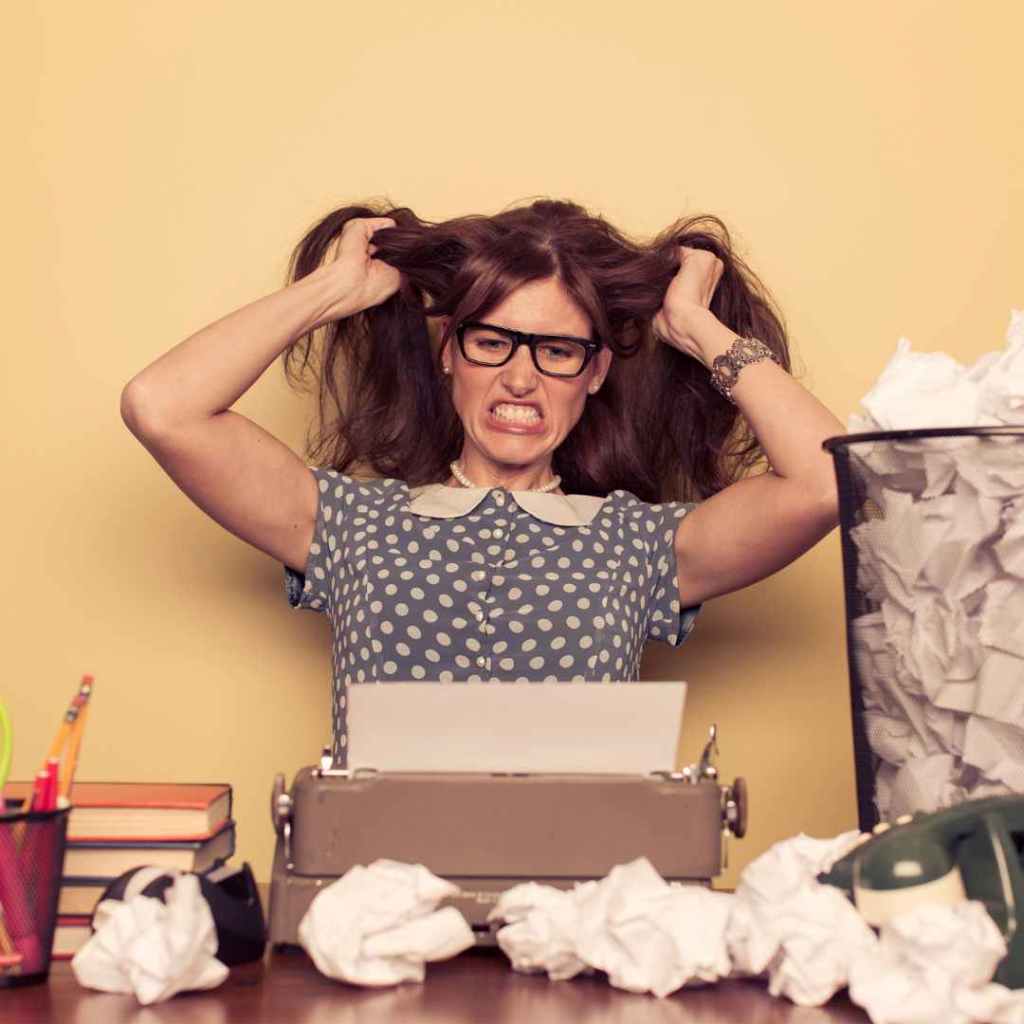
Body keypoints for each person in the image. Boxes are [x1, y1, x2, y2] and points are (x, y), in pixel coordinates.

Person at [121, 199, 844, 766]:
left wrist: (694, 326)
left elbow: (825, 480)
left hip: (578, 919)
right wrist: (332, 290)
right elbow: (164, 407)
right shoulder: (346, 522)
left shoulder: (645, 546)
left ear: (594, 373)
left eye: (557, 350)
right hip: (374, 909)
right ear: (449, 352)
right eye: (492, 342)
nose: (520, 378)